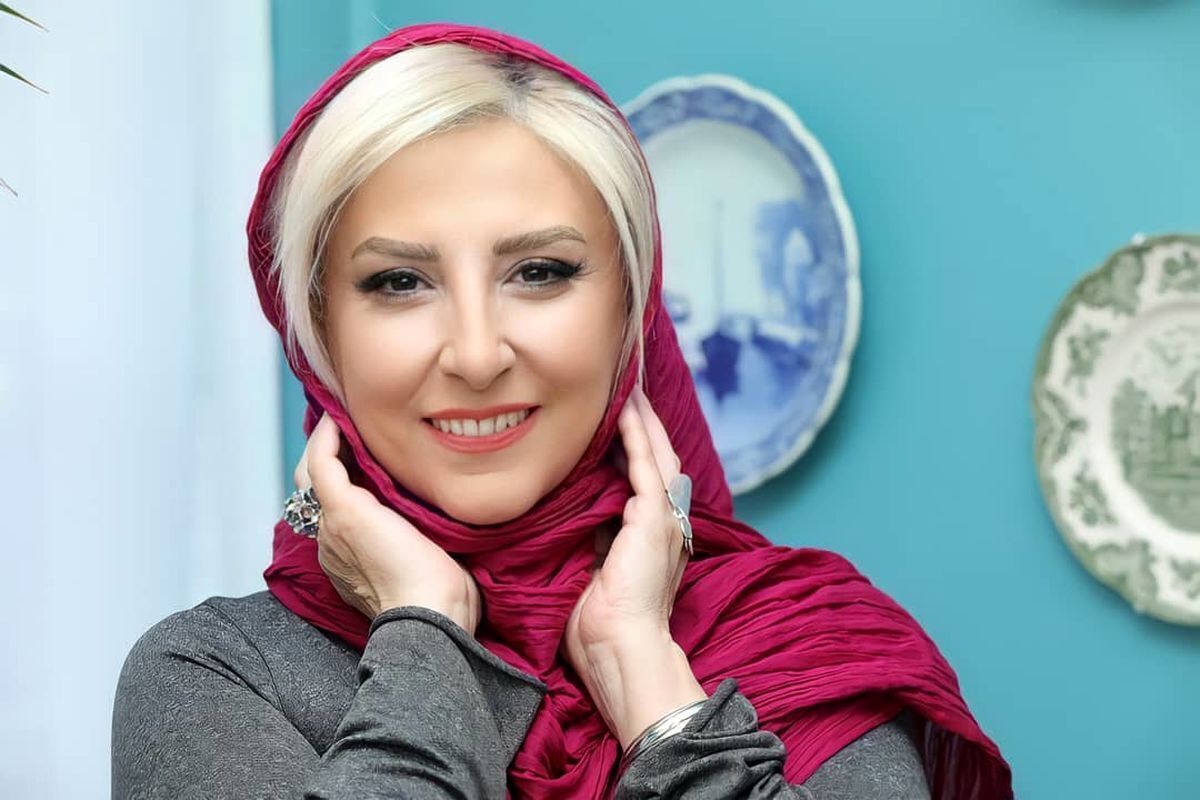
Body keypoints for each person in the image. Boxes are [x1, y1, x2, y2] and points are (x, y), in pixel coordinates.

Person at [111, 22, 1013, 800]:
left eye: (539, 272)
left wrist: (646, 679)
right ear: (319, 334)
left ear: (632, 311)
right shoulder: (216, 676)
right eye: (398, 282)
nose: (476, 354)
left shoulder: (808, 653)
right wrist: (425, 635)